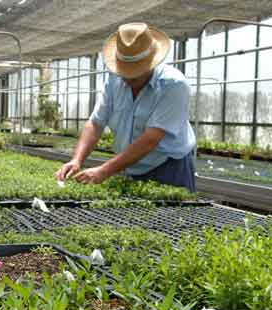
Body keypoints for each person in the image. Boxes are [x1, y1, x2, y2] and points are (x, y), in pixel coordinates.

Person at [55, 22, 196, 192]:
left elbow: (151, 139)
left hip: (168, 167)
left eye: (134, 74)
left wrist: (104, 170)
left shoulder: (173, 85)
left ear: (150, 64)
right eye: (124, 72)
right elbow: (96, 123)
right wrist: (76, 160)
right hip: (130, 166)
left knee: (173, 216)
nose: (127, 79)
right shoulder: (114, 78)